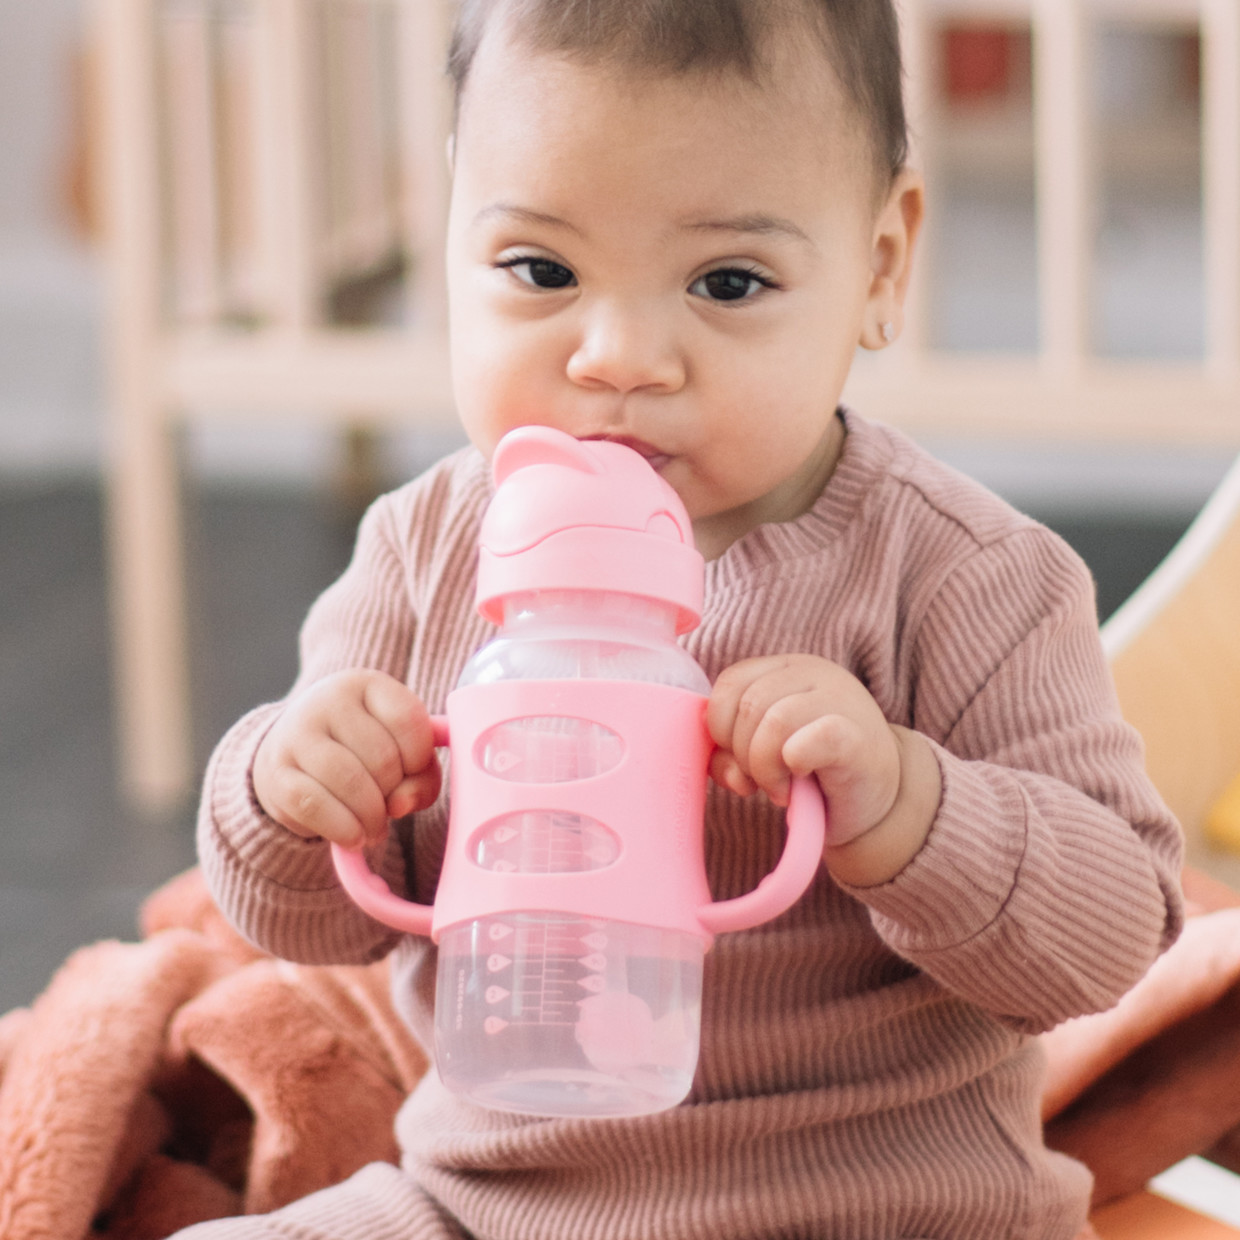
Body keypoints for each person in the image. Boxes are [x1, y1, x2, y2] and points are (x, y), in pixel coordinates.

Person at [181, 1, 1184, 1236]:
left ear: (878, 266)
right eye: (541, 270)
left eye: (727, 282)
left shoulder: (967, 574)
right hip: (486, 1204)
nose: (619, 355)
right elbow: (308, 921)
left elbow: (1109, 936)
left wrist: (910, 804)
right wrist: (290, 789)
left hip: (886, 1210)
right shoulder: (422, 549)